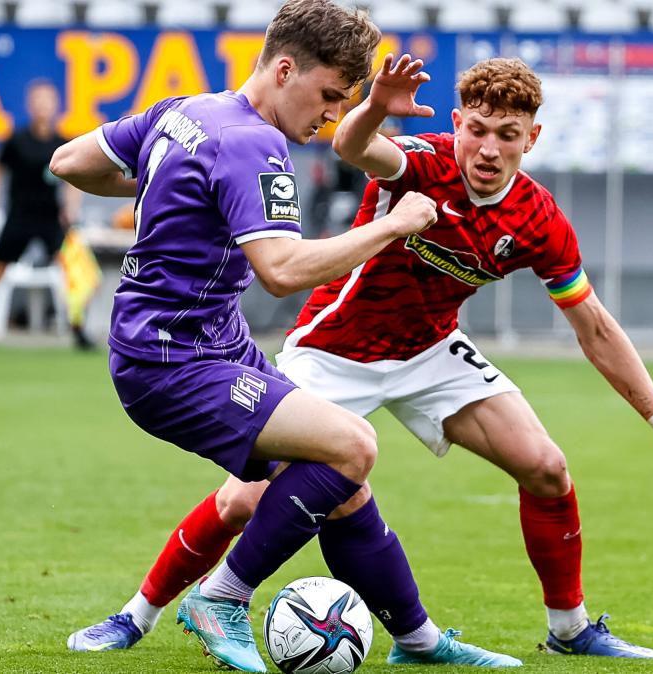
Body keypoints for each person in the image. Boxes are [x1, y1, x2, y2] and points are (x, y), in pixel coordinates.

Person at [67, 56, 653, 661]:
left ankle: (570, 631)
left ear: (534, 138)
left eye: (509, 135)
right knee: (245, 498)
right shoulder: (421, 163)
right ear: (458, 124)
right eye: (479, 130)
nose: (489, 149)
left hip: (430, 350)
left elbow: (596, 328)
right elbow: (352, 144)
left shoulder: (538, 220)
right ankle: (137, 615)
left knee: (547, 468)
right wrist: (378, 105)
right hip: (335, 347)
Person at [49, 1, 519, 670]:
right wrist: (393, 225)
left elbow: (71, 161)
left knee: (336, 483)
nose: (330, 115)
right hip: (173, 360)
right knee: (353, 445)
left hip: (202, 341)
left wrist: (168, 177)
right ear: (286, 67)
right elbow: (282, 271)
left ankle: (417, 643)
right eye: (328, 95)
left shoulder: (185, 111)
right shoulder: (253, 143)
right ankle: (223, 598)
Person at [0, 79, 91, 350]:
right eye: (38, 101)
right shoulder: (17, 140)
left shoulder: (62, 143)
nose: (43, 106)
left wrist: (71, 208)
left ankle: (79, 334)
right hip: (19, 217)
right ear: (30, 105)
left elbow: (74, 178)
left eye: (48, 101)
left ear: (56, 105)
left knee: (74, 274)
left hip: (50, 219)